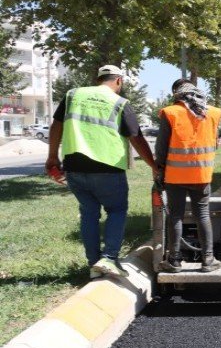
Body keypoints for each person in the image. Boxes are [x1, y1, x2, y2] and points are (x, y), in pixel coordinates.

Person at [45, 65, 156, 278]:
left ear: (98, 79)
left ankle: (94, 264)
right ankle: (110, 258)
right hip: (108, 167)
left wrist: (52, 157)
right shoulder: (120, 103)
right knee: (116, 210)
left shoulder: (73, 95)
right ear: (118, 81)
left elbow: (56, 127)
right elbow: (137, 138)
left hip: (75, 166)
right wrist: (153, 166)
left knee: (89, 213)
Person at [156, 80, 221, 273]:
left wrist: (159, 168)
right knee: (202, 214)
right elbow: (215, 142)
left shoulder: (170, 112)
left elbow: (161, 148)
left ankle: (174, 260)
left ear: (177, 94)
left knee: (175, 215)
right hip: (201, 174)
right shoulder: (214, 113)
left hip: (175, 176)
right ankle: (208, 260)